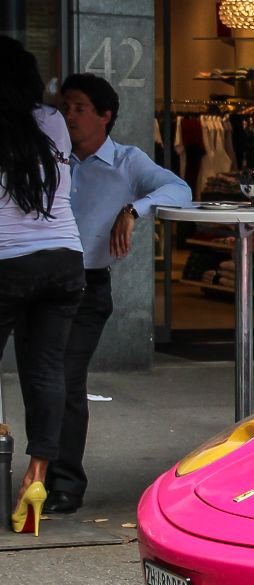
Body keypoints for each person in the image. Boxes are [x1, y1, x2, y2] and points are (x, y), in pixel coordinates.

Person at [46, 73, 189, 516]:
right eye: (65, 106)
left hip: (87, 286)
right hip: (40, 279)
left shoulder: (127, 161)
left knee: (67, 380)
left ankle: (65, 482)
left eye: (79, 108)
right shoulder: (51, 156)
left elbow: (179, 190)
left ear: (105, 116)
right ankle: (36, 474)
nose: (69, 115)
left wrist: (132, 209)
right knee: (42, 381)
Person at [0, 36, 84, 535]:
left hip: (7, 262)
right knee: (47, 372)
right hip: (63, 260)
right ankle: (37, 478)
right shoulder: (52, 122)